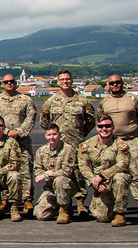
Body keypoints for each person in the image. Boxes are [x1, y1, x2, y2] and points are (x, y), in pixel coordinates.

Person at [40, 70, 96, 217]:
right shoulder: (50, 102)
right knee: (60, 173)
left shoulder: (82, 100)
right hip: (58, 145)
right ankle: (63, 203)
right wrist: (53, 135)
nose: (65, 82)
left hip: (76, 142)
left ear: (72, 81)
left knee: (78, 172)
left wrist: (80, 134)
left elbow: (91, 120)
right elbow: (44, 121)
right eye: (62, 80)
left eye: (68, 79)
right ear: (58, 82)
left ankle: (80, 202)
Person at [97, 74, 138, 218]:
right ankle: (114, 205)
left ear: (122, 83)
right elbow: (101, 120)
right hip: (113, 142)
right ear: (108, 85)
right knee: (110, 173)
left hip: (131, 140)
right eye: (112, 83)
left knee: (137, 171)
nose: (115, 85)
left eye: (118, 82)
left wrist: (135, 134)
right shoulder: (104, 102)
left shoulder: (134, 99)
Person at [0, 74, 37, 214]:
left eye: (12, 81)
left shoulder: (25, 100)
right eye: (6, 82)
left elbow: (31, 118)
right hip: (3, 142)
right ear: (2, 84)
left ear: (15, 83)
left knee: (25, 170)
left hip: (22, 141)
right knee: (4, 170)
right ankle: (5, 199)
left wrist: (19, 132)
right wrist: (7, 131)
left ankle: (27, 200)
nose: (9, 83)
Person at [78, 116, 132, 227]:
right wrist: (93, 180)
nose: (104, 129)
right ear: (97, 128)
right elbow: (83, 165)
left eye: (107, 126)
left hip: (114, 180)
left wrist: (102, 176)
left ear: (112, 127)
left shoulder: (121, 145)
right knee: (102, 217)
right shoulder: (87, 145)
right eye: (101, 126)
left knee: (120, 177)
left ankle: (120, 214)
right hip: (100, 185)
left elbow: (123, 164)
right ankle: (106, 205)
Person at [32, 124, 77, 224]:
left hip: (68, 185)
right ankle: (61, 205)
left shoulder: (68, 149)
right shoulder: (41, 151)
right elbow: (37, 169)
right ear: (45, 136)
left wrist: (47, 175)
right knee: (40, 214)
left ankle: (64, 211)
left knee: (59, 179)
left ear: (60, 134)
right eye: (49, 135)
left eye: (54, 134)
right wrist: (42, 173)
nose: (51, 137)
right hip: (51, 187)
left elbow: (66, 171)